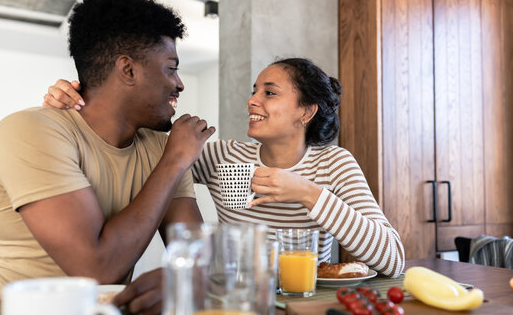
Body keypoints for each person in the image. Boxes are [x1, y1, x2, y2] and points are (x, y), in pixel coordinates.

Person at [43, 58, 405, 279]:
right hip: (235, 301)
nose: (252, 100)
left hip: (305, 305)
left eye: (270, 93)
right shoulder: (222, 157)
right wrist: (75, 106)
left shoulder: (335, 163)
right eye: (254, 90)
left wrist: (308, 193)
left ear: (305, 112)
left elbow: (392, 259)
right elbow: (140, 154)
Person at [0, 0, 215, 315]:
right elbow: (95, 269)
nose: (179, 84)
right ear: (127, 69)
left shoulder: (165, 146)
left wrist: (187, 279)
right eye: (171, 69)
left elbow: (196, 256)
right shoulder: (28, 130)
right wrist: (174, 161)